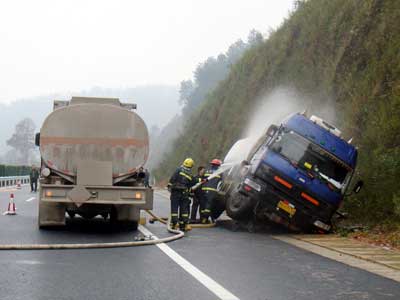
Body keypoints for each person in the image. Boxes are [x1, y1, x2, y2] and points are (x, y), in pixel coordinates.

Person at [168, 158, 195, 231]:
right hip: (184, 193)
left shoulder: (178, 170)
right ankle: (183, 225)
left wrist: (169, 187)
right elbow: (192, 183)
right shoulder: (190, 174)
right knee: (184, 209)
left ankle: (174, 224)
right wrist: (201, 180)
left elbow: (172, 179)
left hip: (175, 192)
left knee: (174, 209)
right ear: (191, 166)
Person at [200, 159, 223, 224]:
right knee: (208, 204)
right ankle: (205, 219)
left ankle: (202, 218)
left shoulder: (207, 171)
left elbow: (202, 179)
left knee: (203, 204)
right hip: (212, 190)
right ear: (218, 165)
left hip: (204, 189)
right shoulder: (219, 172)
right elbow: (222, 181)